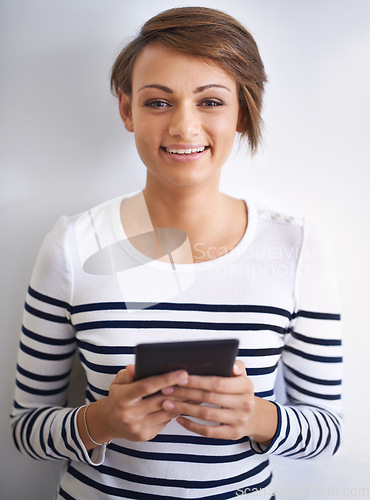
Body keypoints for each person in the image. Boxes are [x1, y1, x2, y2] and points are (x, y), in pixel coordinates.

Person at [10, 6, 343, 499]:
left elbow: (328, 433)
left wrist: (256, 417)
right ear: (127, 109)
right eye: (158, 103)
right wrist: (98, 421)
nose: (184, 127)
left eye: (210, 102)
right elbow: (25, 430)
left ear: (243, 113)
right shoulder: (73, 244)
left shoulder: (295, 247)